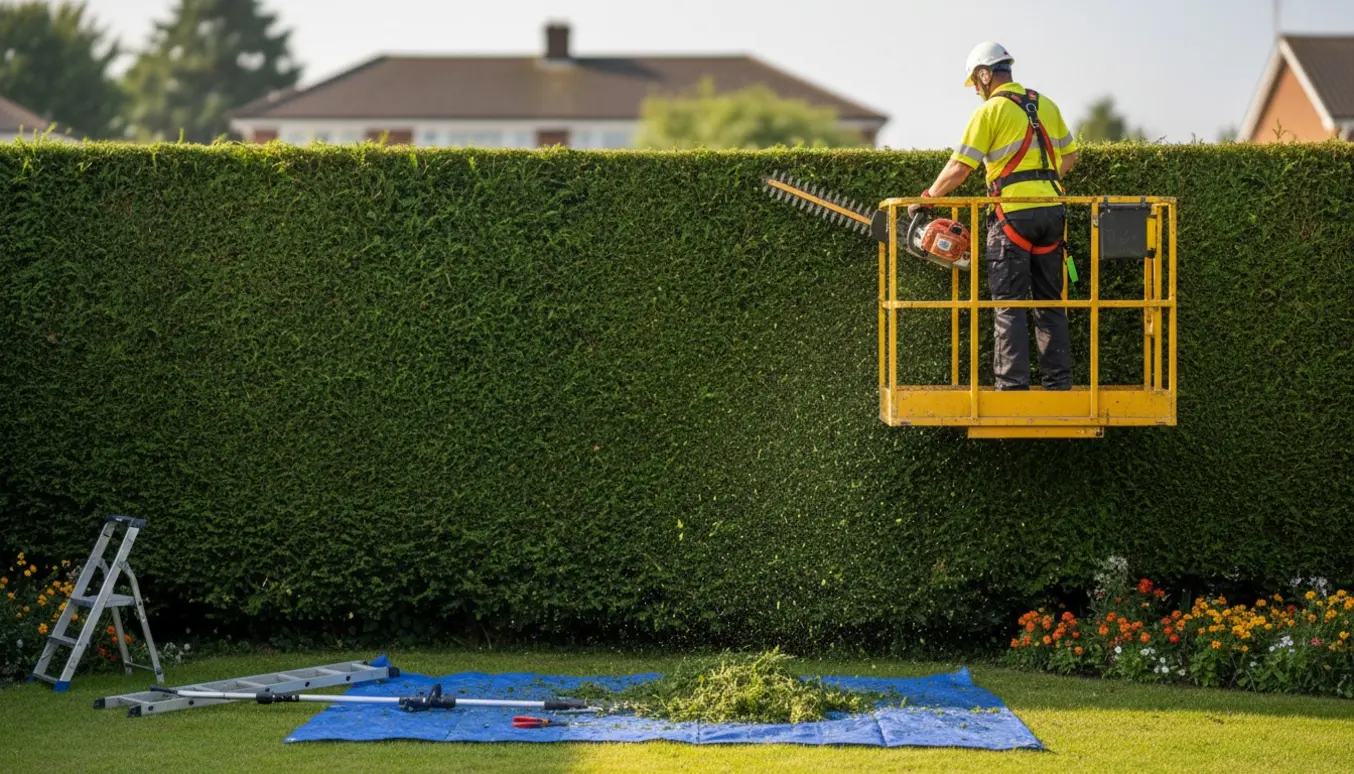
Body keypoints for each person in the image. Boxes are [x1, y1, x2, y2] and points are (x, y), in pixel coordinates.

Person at [908, 42, 1080, 391]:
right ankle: (1058, 385)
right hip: (1052, 214)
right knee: (1050, 303)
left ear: (986, 75)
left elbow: (959, 167)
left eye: (975, 81)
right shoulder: (1046, 105)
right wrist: (1042, 186)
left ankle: (1012, 388)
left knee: (1009, 306)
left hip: (1012, 218)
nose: (975, 89)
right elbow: (1070, 157)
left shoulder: (990, 112)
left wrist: (927, 198)